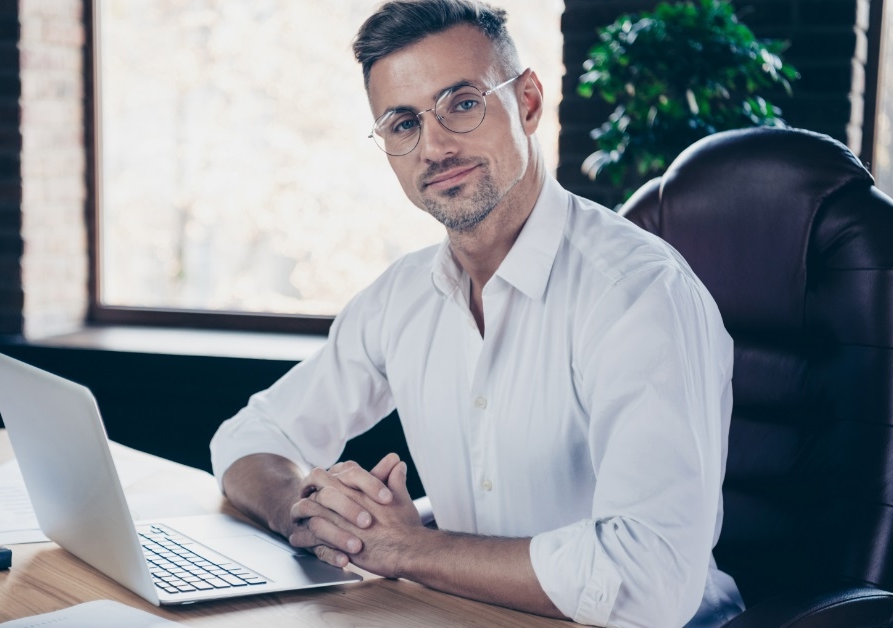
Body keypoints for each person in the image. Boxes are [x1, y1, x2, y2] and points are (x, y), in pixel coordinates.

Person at [209, 1, 744, 625]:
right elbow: (251, 438)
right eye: (403, 123)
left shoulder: (637, 294)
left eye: (462, 104)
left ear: (529, 102)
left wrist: (408, 548)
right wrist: (306, 516)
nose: (433, 146)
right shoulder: (401, 297)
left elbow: (648, 582)